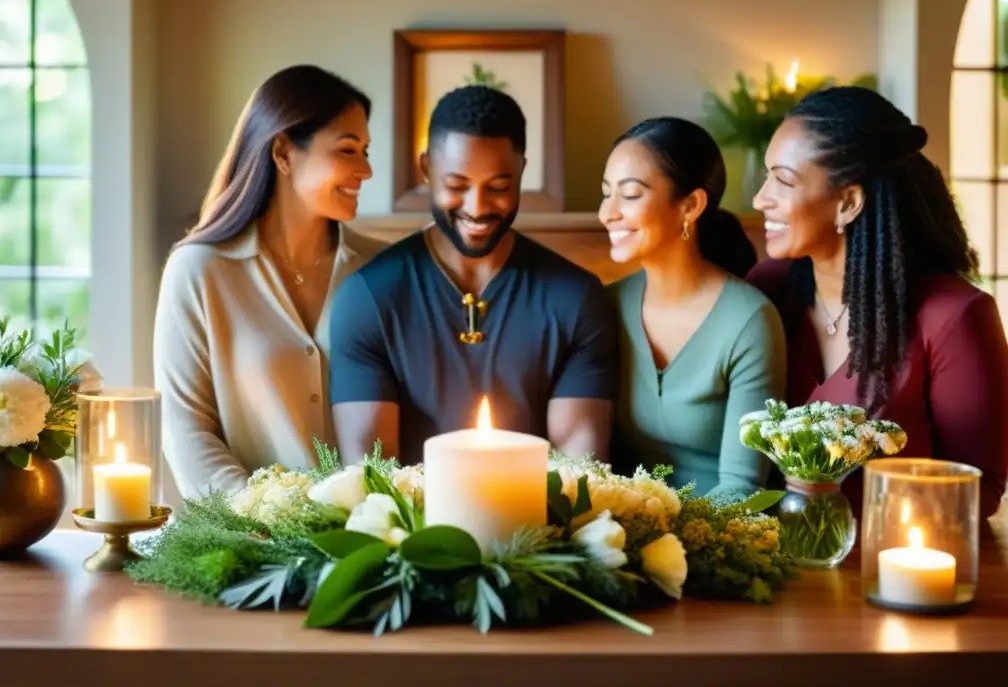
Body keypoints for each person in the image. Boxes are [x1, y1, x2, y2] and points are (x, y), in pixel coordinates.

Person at [747, 85, 1008, 520]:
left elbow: (979, 489)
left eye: (783, 180)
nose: (760, 199)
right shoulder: (765, 291)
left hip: (888, 570)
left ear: (847, 202)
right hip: (769, 563)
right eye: (766, 176)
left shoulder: (954, 317)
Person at [328, 85, 617, 465]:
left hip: (539, 520)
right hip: (407, 523)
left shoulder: (576, 298)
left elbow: (578, 472)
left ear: (521, 172)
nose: (477, 208)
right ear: (426, 168)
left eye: (499, 187)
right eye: (457, 186)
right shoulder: (368, 297)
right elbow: (371, 475)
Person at [153, 65, 387, 499]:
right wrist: (264, 521)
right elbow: (186, 431)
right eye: (348, 150)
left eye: (366, 152)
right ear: (283, 153)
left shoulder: (382, 267)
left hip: (370, 542)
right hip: (251, 548)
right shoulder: (199, 271)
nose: (365, 170)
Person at [599, 117, 786, 499]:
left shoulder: (749, 321)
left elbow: (742, 486)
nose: (608, 213)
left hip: (719, 540)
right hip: (615, 536)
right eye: (606, 194)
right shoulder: (605, 305)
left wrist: (670, 548)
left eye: (630, 195)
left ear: (690, 206)